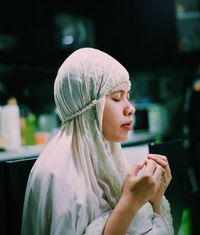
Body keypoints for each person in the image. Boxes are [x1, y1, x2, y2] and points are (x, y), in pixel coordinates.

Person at [21, 47, 174, 235]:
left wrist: (153, 199)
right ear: (89, 108)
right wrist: (131, 201)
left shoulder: (107, 159)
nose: (131, 108)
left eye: (128, 96)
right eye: (117, 98)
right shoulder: (60, 176)